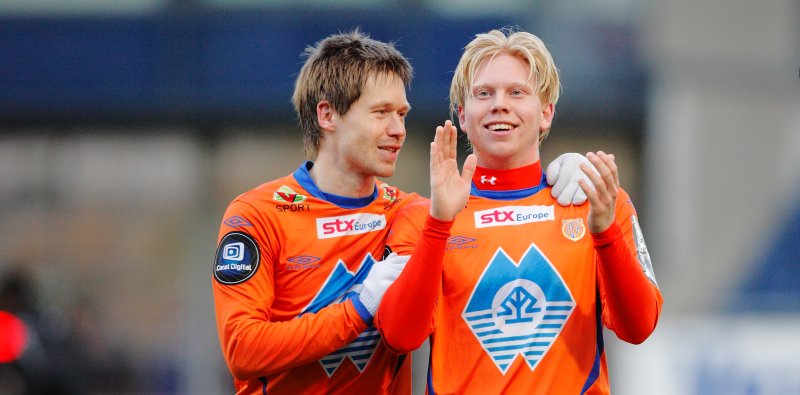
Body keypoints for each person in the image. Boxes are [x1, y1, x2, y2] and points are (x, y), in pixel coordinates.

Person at [211, 29, 591, 394]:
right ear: (327, 115)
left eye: (402, 114)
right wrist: (359, 308)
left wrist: (567, 171)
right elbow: (242, 350)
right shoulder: (259, 214)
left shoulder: (407, 213)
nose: (398, 130)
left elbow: (488, 217)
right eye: (381, 113)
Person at [376, 28, 663, 394]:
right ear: (462, 115)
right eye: (484, 93)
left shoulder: (597, 202)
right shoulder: (422, 218)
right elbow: (399, 336)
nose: (499, 104)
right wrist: (438, 225)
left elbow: (639, 327)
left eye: (517, 92)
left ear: (546, 113)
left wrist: (605, 233)